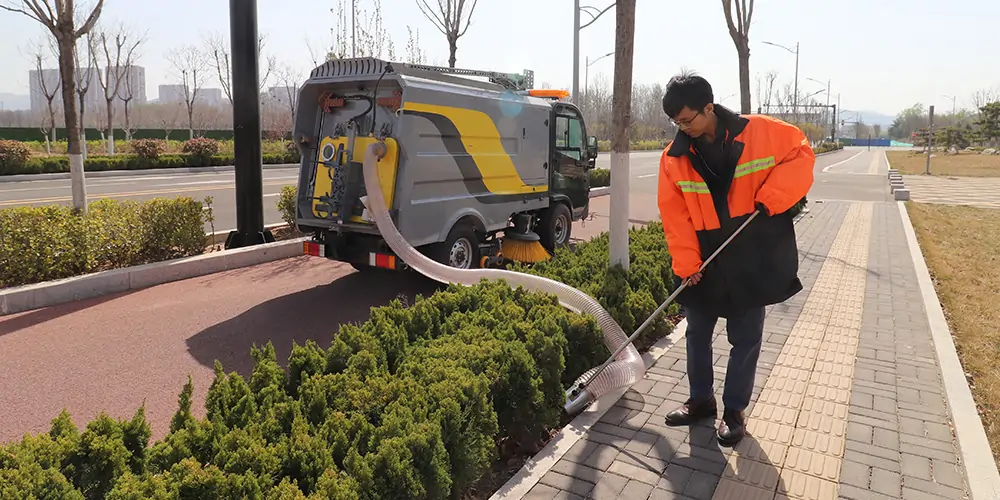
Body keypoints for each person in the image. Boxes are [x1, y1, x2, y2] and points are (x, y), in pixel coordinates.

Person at [656, 72, 815, 447]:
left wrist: (774, 196)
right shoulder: (674, 158)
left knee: (745, 338)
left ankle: (734, 410)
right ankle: (700, 402)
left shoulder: (760, 132)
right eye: (676, 122)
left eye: (687, 119)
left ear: (708, 107)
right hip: (706, 256)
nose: (682, 128)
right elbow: (674, 215)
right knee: (696, 334)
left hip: (750, 250)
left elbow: (801, 153)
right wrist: (686, 264)